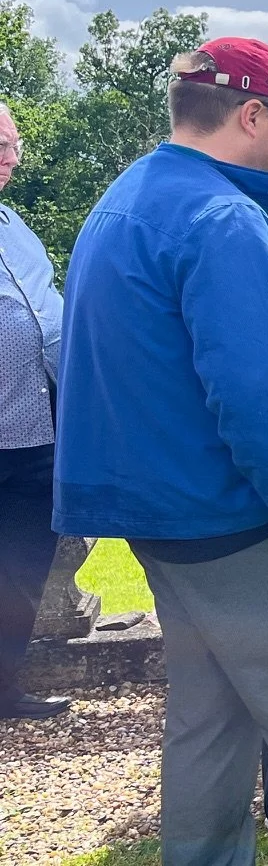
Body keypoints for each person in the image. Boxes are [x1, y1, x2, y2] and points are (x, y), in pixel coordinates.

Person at [54, 38, 268, 866]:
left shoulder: (128, 196)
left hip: (171, 521)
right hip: (251, 525)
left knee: (209, 727)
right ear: (251, 115)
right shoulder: (223, 218)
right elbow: (259, 394)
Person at [0, 102, 68, 720]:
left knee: (21, 569)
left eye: (14, 144)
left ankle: (5, 688)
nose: (10, 158)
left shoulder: (14, 223)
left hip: (33, 429)